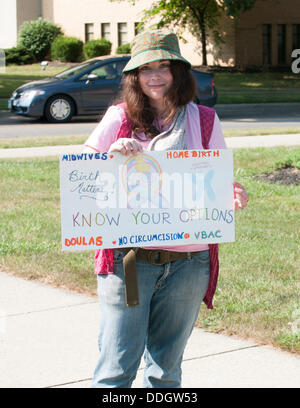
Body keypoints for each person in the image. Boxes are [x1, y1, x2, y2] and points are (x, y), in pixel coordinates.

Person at [83, 29, 249, 388]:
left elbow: (215, 183)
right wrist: (112, 157)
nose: (155, 76)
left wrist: (232, 193)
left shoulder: (204, 120)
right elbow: (83, 183)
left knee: (165, 373)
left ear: (178, 72)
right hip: (128, 260)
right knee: (116, 369)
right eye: (146, 69)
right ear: (135, 76)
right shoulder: (119, 118)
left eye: (163, 66)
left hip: (189, 265)